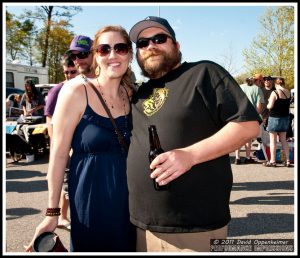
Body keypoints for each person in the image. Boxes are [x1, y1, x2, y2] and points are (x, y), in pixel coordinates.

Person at [127, 16, 261, 252]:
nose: (151, 46)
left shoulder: (204, 73)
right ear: (137, 54)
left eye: (159, 38)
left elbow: (248, 125)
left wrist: (189, 155)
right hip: (141, 225)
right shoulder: (139, 93)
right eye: (143, 43)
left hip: (194, 226)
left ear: (177, 46)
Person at [26, 28, 136, 252]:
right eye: (104, 49)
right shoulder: (75, 91)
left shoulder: (131, 93)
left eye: (120, 48)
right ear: (96, 55)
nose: (112, 55)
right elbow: (57, 157)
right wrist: (53, 213)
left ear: (130, 55)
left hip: (132, 203)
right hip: (91, 200)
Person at [44, 54, 79, 232]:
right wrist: (60, 149)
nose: (69, 75)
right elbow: (50, 123)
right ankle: (62, 217)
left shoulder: (82, 87)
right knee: (65, 186)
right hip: (65, 149)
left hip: (78, 148)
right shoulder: (57, 90)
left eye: (73, 71)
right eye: (66, 72)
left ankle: (64, 217)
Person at [234, 77, 264, 164]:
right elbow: (258, 107)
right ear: (255, 81)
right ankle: (247, 157)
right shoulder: (257, 89)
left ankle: (237, 158)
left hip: (239, 115)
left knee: (238, 137)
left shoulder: (239, 87)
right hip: (251, 116)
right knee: (248, 138)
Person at [263, 77, 291, 167]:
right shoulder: (288, 92)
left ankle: (272, 161)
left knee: (273, 141)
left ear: (276, 83)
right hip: (285, 118)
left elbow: (270, 106)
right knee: (284, 140)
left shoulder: (274, 92)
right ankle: (287, 160)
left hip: (275, 118)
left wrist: (267, 104)